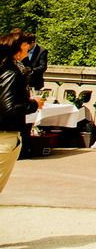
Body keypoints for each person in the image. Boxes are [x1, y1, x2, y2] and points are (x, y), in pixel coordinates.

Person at [1, 29, 45, 193]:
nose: (29, 47)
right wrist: (33, 104)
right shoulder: (12, 72)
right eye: (26, 45)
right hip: (5, 137)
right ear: (20, 47)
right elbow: (9, 108)